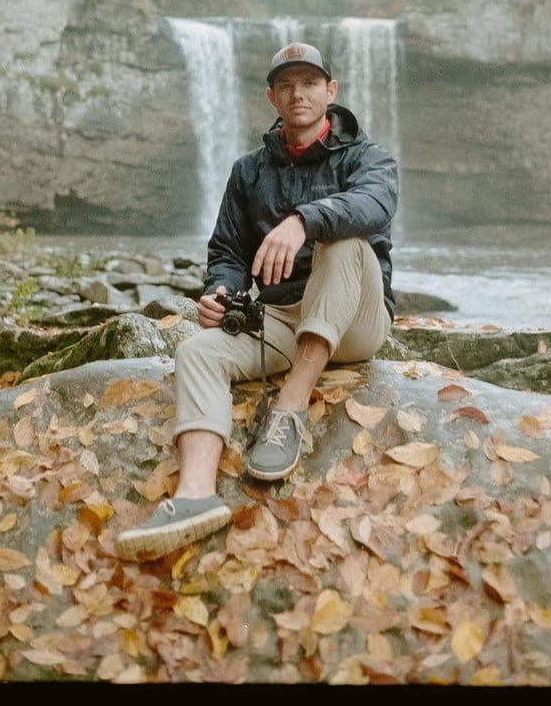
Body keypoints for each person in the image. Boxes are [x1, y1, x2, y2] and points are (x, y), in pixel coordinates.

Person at [115, 41, 398, 561]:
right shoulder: (248, 171)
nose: (299, 94)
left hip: (356, 320)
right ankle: (195, 497)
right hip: (283, 320)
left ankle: (288, 409)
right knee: (197, 351)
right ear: (272, 97)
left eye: (310, 83)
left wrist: (303, 221)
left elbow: (374, 207)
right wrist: (219, 291)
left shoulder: (369, 157)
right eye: (286, 85)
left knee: (343, 241)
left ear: (330, 91)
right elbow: (227, 251)